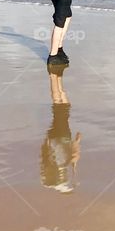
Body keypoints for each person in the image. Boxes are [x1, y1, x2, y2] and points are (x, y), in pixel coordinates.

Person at [40, 63, 81, 193]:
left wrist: (77, 140)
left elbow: (75, 156)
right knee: (59, 104)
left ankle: (54, 77)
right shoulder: (63, 163)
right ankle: (56, 78)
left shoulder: (65, 162)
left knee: (60, 104)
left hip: (62, 137)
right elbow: (74, 157)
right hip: (55, 139)